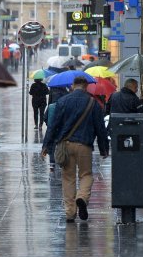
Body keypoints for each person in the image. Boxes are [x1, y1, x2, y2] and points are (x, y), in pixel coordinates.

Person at [42, 76, 109, 223]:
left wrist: (46, 146)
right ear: (85, 87)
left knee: (68, 177)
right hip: (84, 145)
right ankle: (82, 197)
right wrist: (104, 149)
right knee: (86, 175)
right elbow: (100, 128)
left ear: (73, 86)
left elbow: (53, 126)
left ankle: (70, 213)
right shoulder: (93, 103)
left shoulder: (63, 101)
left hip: (66, 145)